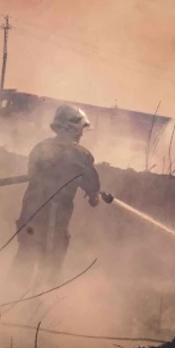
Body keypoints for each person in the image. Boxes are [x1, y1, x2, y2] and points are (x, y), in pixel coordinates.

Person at [10, 104, 114, 292]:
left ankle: (10, 298)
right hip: (56, 221)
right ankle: (39, 303)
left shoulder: (40, 148)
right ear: (73, 129)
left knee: (25, 256)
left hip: (30, 217)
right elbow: (93, 191)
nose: (81, 135)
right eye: (81, 130)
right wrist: (94, 196)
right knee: (51, 263)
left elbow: (32, 172)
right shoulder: (82, 155)